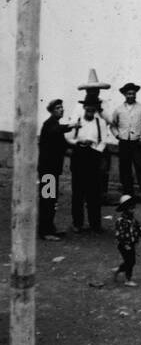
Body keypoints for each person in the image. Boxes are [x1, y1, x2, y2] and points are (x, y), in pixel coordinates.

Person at [66, 95, 112, 232]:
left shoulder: (101, 123)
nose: (90, 113)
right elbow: (68, 138)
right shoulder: (77, 121)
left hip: (93, 157)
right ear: (84, 108)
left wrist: (95, 148)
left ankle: (95, 224)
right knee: (78, 193)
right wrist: (78, 142)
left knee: (94, 193)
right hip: (79, 156)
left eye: (93, 111)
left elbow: (103, 141)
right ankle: (77, 223)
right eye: (88, 110)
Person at [108, 82, 141, 206]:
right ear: (124, 95)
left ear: (136, 94)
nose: (131, 96)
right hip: (124, 144)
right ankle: (128, 197)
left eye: (133, 93)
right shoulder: (119, 110)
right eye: (128, 94)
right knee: (125, 171)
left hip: (137, 143)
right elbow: (112, 125)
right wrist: (117, 135)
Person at [38, 98, 72, 239]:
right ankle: (45, 232)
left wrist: (79, 147)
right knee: (48, 199)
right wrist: (71, 126)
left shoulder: (55, 124)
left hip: (52, 170)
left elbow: (64, 144)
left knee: (51, 199)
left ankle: (49, 228)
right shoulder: (49, 124)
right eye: (58, 108)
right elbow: (55, 131)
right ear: (52, 111)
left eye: (62, 107)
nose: (62, 109)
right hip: (47, 171)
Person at [112, 194, 141, 287]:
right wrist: (125, 244)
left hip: (131, 243)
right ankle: (128, 279)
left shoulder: (132, 219)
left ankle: (119, 269)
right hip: (124, 245)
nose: (133, 210)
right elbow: (120, 235)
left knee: (130, 261)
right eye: (131, 208)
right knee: (130, 262)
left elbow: (138, 227)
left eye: (133, 208)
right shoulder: (121, 221)